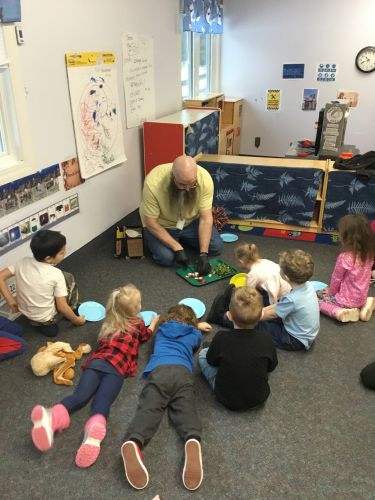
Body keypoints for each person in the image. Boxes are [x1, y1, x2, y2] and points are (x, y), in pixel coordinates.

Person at [30, 285, 158, 468]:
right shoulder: (138, 323)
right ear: (137, 309)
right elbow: (145, 336)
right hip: (117, 367)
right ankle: (92, 436)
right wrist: (152, 323)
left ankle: (51, 418)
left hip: (97, 363)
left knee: (79, 396)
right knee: (102, 402)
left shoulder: (109, 321)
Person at [121, 304, 212, 491]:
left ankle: (135, 440)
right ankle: (192, 439)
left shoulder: (161, 331)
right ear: (193, 323)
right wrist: (196, 329)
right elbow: (195, 345)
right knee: (186, 408)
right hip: (182, 373)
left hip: (159, 371)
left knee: (149, 409)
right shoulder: (194, 334)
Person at [139, 155, 223, 273]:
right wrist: (177, 248)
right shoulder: (153, 182)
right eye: (183, 184)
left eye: (192, 183)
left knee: (216, 247)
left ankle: (181, 240)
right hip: (162, 225)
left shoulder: (204, 178)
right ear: (173, 176)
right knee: (166, 259)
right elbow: (151, 222)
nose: (188, 189)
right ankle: (177, 243)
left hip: (190, 222)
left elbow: (205, 219)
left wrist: (203, 254)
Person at [199, 287, 278, 411]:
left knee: (203, 354)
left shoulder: (221, 337)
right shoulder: (266, 338)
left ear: (229, 316)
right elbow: (271, 366)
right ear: (259, 317)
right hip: (259, 397)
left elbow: (211, 361)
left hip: (225, 396)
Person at [0, 230, 85, 337]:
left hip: (25, 311)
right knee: (68, 277)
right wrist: (76, 320)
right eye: (62, 252)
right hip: (45, 318)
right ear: (48, 258)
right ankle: (71, 309)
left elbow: (0, 276)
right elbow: (62, 307)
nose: (65, 253)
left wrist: (11, 301)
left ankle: (38, 322)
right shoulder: (56, 274)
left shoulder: (23, 261)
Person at [319, 214, 375, 322]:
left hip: (344, 301)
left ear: (347, 238)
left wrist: (330, 293)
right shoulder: (369, 255)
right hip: (361, 298)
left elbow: (336, 279)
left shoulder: (344, 258)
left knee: (319, 304)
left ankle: (340, 313)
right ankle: (365, 306)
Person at [260, 249, 320, 351]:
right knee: (268, 309)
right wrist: (263, 310)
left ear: (286, 278)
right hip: (306, 333)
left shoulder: (292, 299)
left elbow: (272, 314)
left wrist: (252, 316)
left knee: (259, 326)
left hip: (294, 340)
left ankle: (230, 319)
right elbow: (280, 305)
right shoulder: (308, 285)